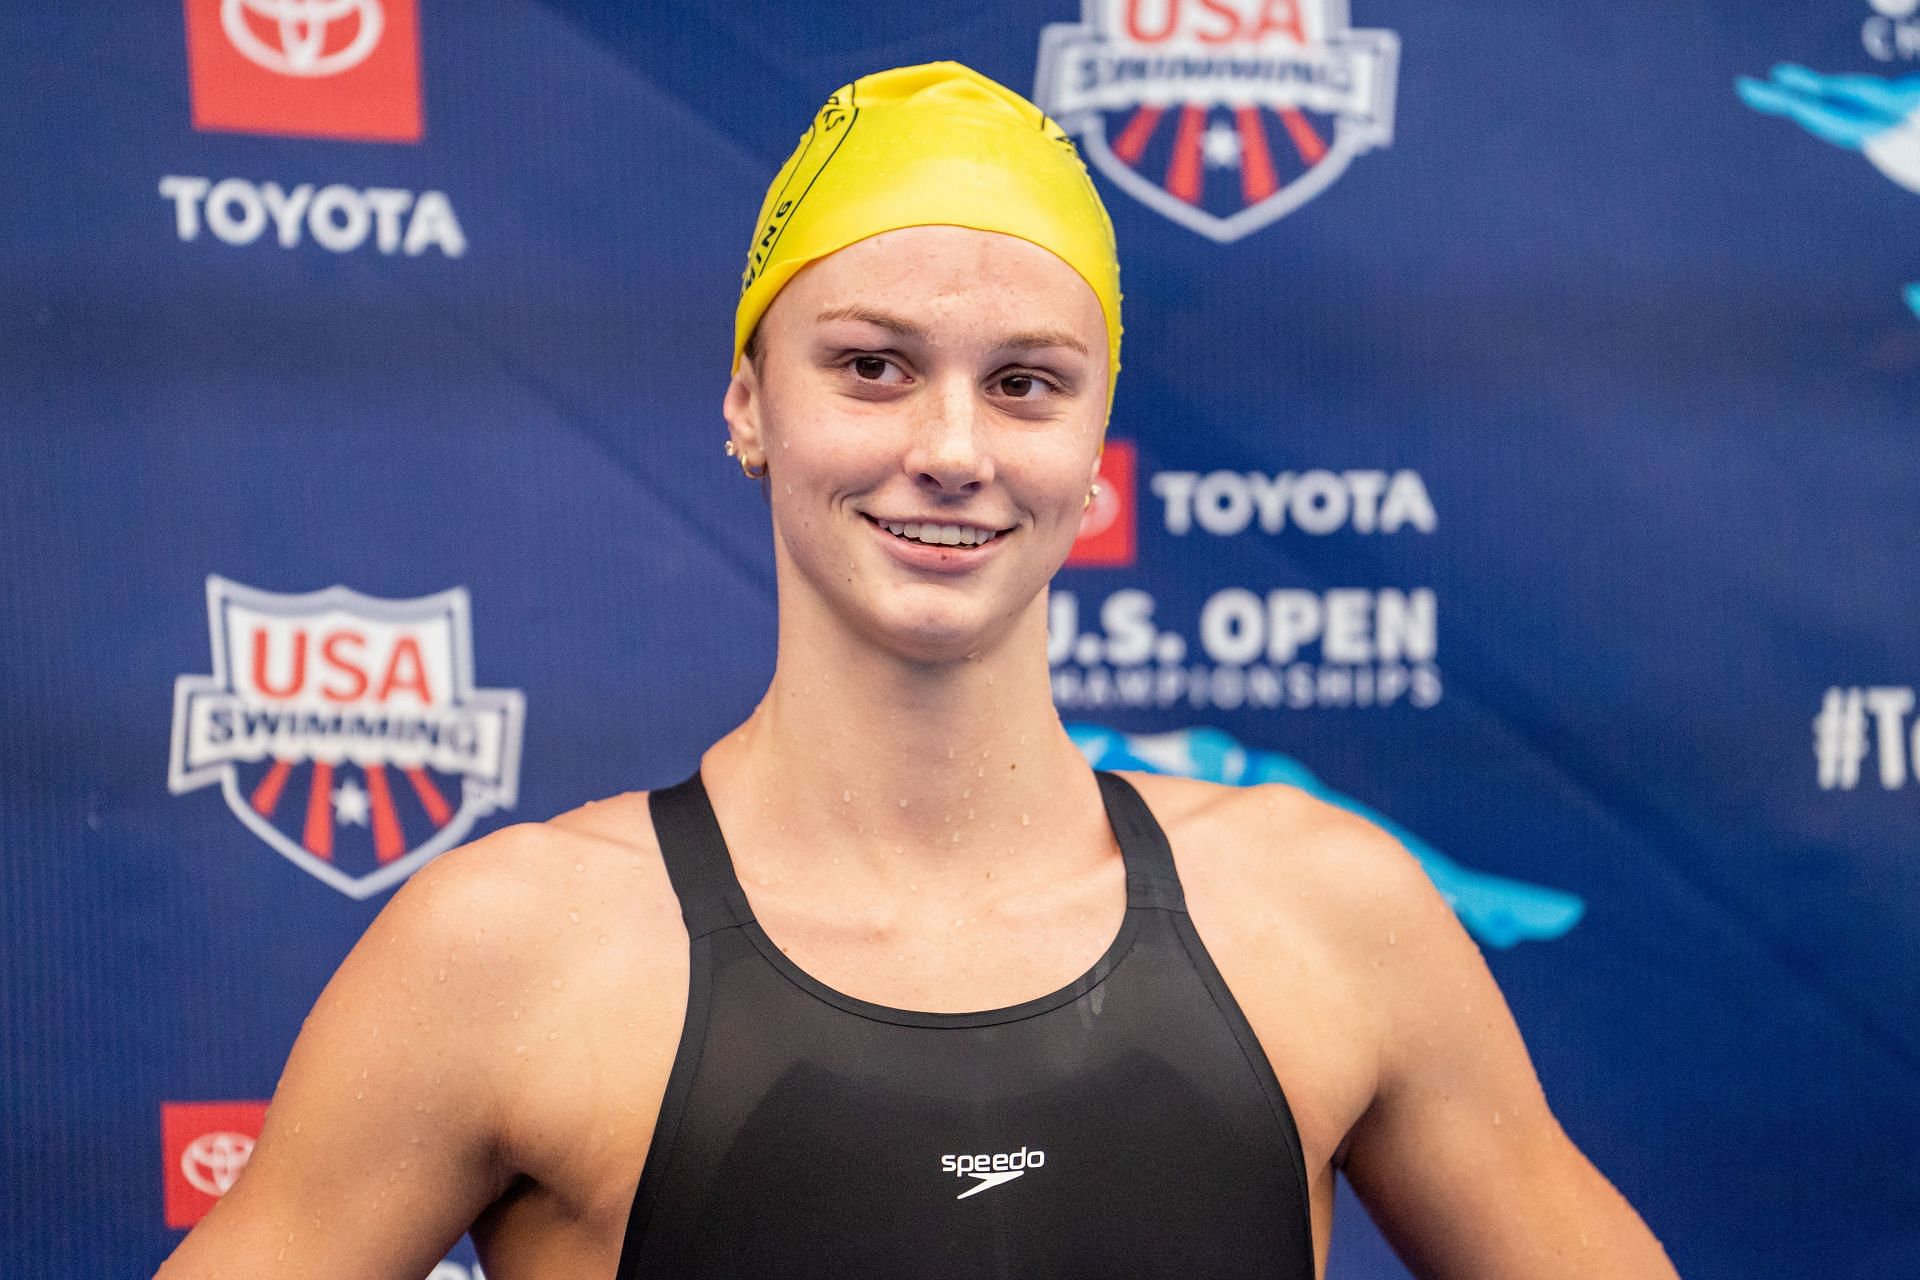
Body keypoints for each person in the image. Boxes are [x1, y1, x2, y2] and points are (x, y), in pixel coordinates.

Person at [158, 62, 1682, 1280]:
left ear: (1092, 455)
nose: (950, 451)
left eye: (1025, 384)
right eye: (873, 365)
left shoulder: (1327, 916)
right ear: (751, 401)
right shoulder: (510, 952)